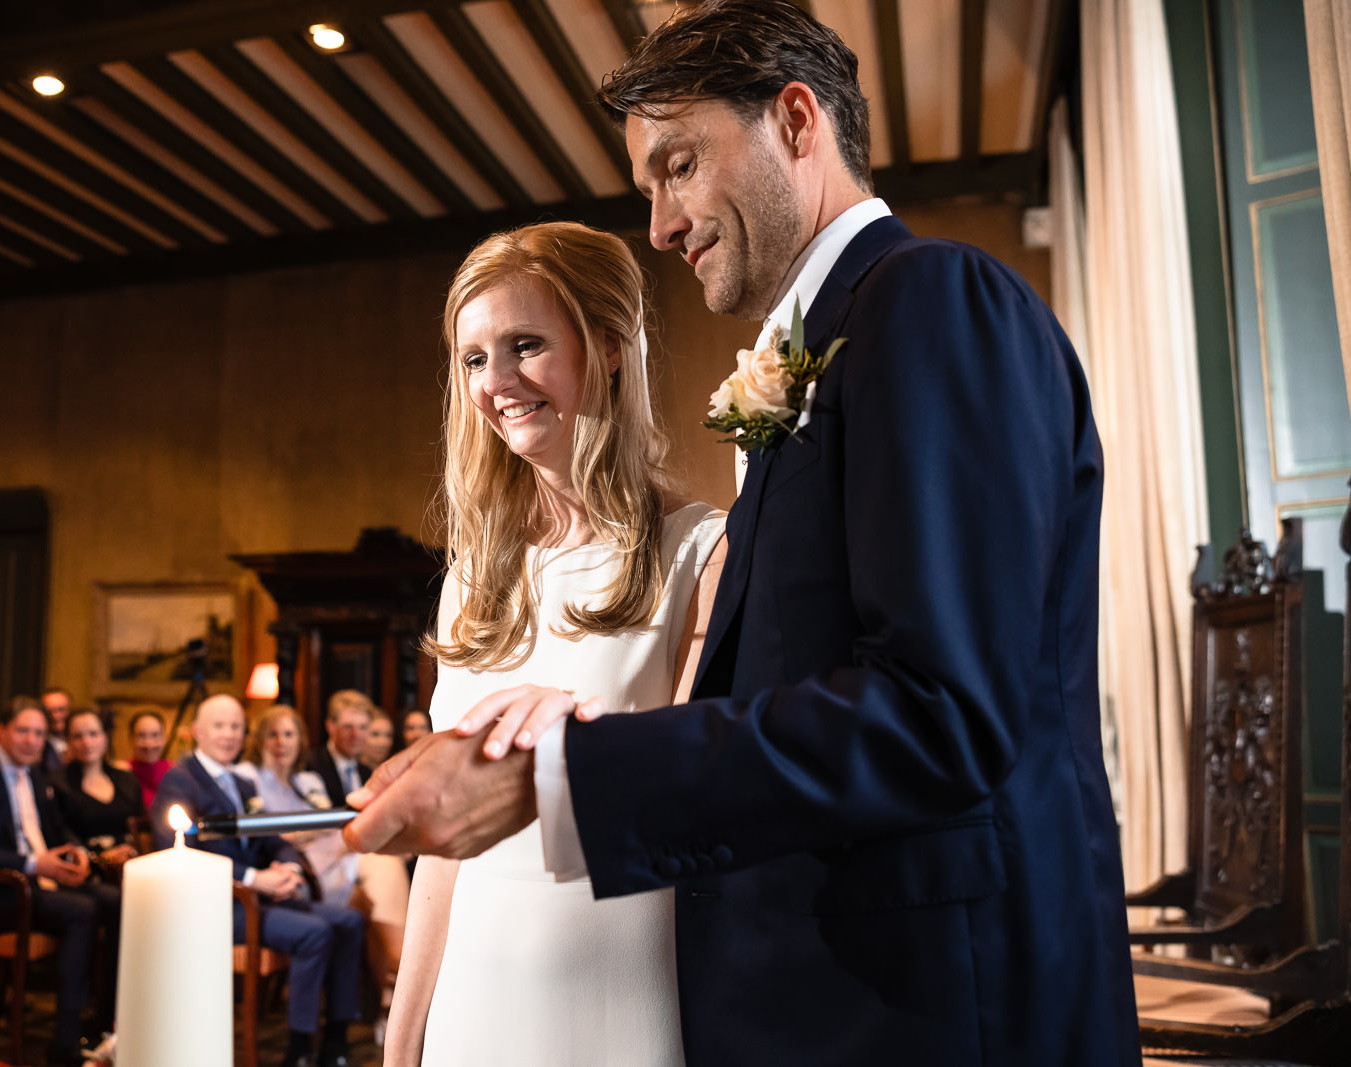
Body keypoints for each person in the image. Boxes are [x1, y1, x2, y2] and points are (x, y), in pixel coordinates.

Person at [347, 4, 1139, 1065]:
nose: (663, 225)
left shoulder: (932, 299)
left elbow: (941, 711)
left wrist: (562, 770)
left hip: (941, 1011)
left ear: (796, 120)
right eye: (648, 189)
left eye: (679, 166)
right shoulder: (823, 355)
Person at [371, 221, 725, 1066]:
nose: (497, 383)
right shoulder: (476, 576)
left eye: (525, 344)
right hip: (475, 997)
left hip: (622, 992)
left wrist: (578, 732)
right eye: (473, 357)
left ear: (608, 344)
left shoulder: (701, 550)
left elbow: (704, 803)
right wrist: (403, 1039)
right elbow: (443, 858)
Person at [153, 694, 364, 1067]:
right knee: (313, 932)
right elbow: (177, 851)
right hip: (215, 904)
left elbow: (271, 841)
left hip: (257, 898)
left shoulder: (242, 783)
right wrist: (254, 878)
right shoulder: (181, 779)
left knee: (349, 921)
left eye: (236, 727)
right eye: (219, 726)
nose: (229, 735)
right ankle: (299, 1049)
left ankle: (336, 1039)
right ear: (196, 732)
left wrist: (288, 868)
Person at [0, 699, 120, 1067]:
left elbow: (55, 828)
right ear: (1, 731)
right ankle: (66, 1040)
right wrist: (32, 864)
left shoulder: (34, 774)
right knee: (82, 911)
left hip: (37, 881)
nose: (32, 740)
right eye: (23, 730)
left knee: (116, 901)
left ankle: (103, 1023)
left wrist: (79, 853)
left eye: (39, 733)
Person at [237, 705, 409, 1002]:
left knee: (373, 889)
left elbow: (331, 827)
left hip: (335, 859)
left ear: (300, 739)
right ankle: (401, 979)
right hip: (292, 870)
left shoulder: (308, 782)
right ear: (260, 739)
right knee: (378, 870)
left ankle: (393, 989)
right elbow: (263, 837)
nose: (281, 743)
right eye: (273, 735)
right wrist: (308, 833)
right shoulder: (247, 778)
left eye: (289, 734)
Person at [51, 707, 144, 877]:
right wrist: (99, 858)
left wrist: (132, 851)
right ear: (69, 741)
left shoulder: (127, 780)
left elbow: (141, 829)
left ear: (105, 738)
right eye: (78, 736)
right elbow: (60, 834)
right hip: (86, 871)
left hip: (131, 866)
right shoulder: (57, 784)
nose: (87, 742)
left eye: (93, 734)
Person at [307, 690, 372, 808]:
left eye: (363, 727)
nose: (356, 735)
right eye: (348, 727)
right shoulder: (310, 765)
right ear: (330, 726)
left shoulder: (367, 773)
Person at [125, 709, 173, 811]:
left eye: (155, 735)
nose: (149, 744)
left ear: (164, 738)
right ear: (131, 739)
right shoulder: (123, 772)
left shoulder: (175, 771)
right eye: (141, 736)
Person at [41, 687, 72, 761]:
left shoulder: (81, 741)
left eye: (61, 710)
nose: (56, 716)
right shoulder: (38, 745)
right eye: (50, 711)